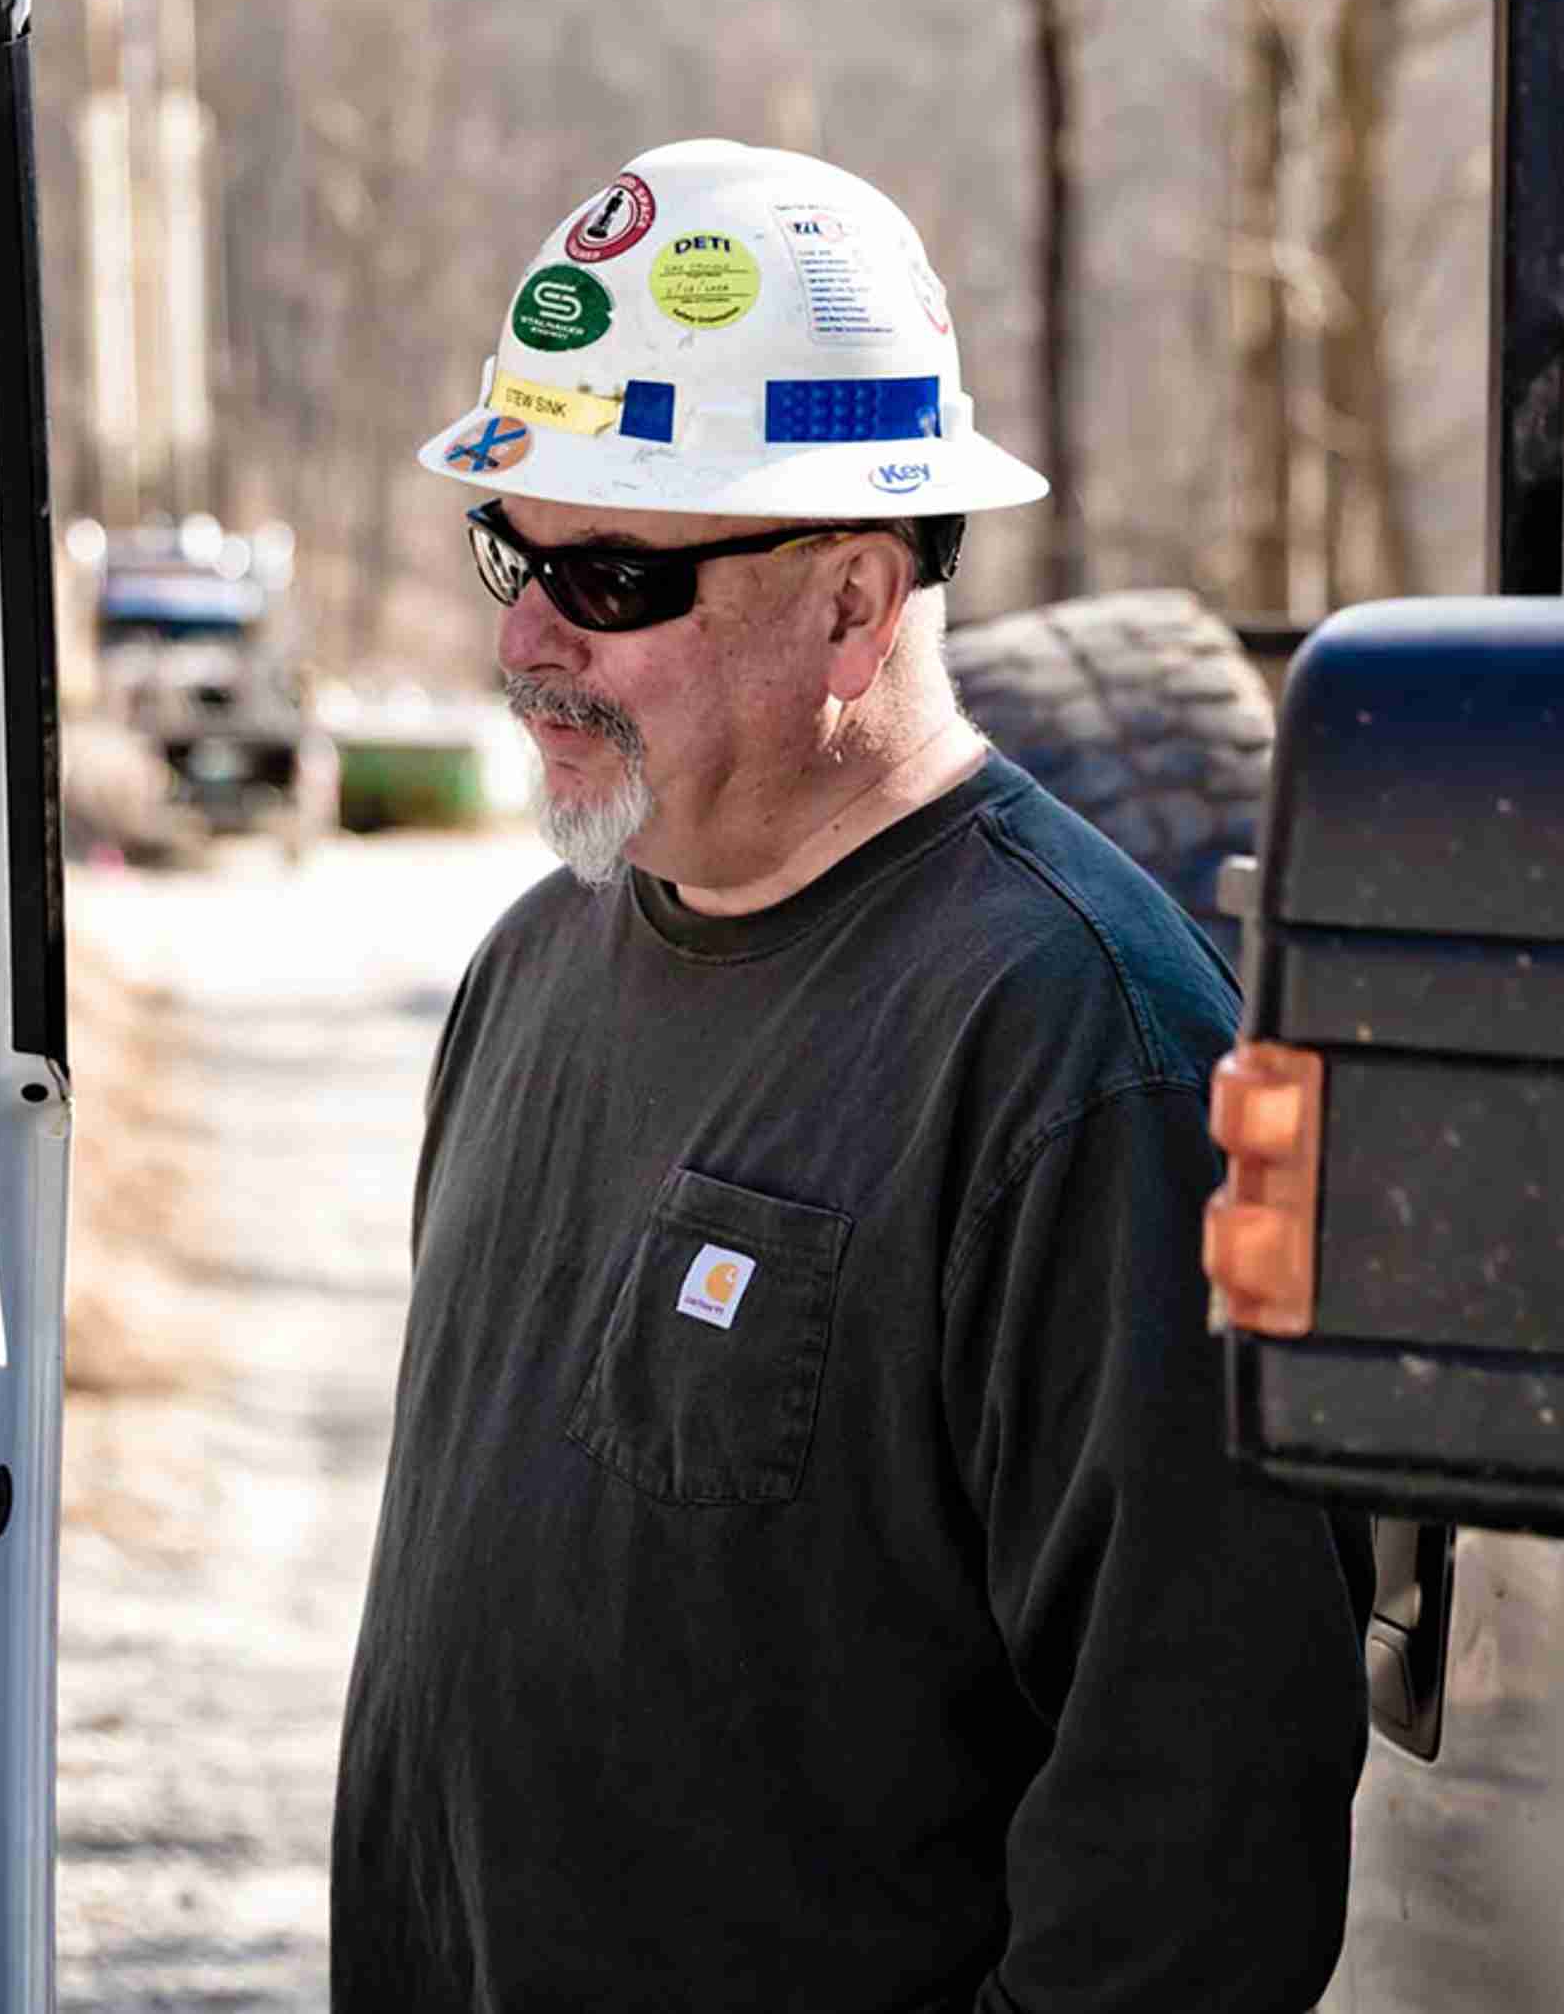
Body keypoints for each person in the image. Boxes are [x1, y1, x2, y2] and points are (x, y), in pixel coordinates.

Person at [332, 138, 1370, 2013]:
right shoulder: (532, 968)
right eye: (510, 550)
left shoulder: (1091, 1057)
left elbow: (1194, 1848)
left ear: (854, 602)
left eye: (611, 577)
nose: (522, 641)